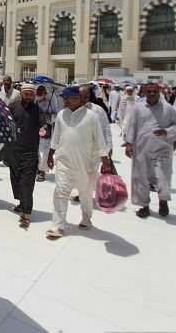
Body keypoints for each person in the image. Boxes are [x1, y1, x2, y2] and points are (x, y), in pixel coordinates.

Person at [45, 86, 111, 239]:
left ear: (79, 99)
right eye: (65, 98)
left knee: (85, 194)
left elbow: (100, 141)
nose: (66, 101)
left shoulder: (92, 117)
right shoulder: (61, 115)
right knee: (60, 192)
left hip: (86, 164)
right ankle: (58, 226)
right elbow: (56, 137)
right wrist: (50, 154)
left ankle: (86, 218)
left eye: (69, 98)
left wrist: (105, 160)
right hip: (64, 162)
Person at [124, 82, 176, 219]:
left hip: (162, 150)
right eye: (149, 91)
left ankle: (163, 201)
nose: (151, 94)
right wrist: (129, 143)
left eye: (154, 91)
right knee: (141, 178)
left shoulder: (168, 109)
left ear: (159, 92)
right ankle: (144, 206)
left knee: (163, 177)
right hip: (142, 149)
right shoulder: (138, 108)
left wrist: (166, 132)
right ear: (144, 92)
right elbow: (132, 126)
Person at [6, 83, 41, 228]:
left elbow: (43, 123)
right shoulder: (13, 106)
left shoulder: (37, 109)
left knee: (27, 182)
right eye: (26, 94)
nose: (29, 96)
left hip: (30, 151)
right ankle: (21, 203)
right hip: (14, 149)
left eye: (31, 94)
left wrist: (44, 128)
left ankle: (26, 212)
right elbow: (6, 120)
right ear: (21, 93)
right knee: (16, 179)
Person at [35, 85, 60, 182]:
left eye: (41, 93)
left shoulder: (52, 99)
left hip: (47, 129)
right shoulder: (35, 99)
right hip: (35, 127)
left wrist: (47, 117)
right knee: (36, 150)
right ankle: (37, 168)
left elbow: (56, 115)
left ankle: (42, 171)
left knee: (44, 151)